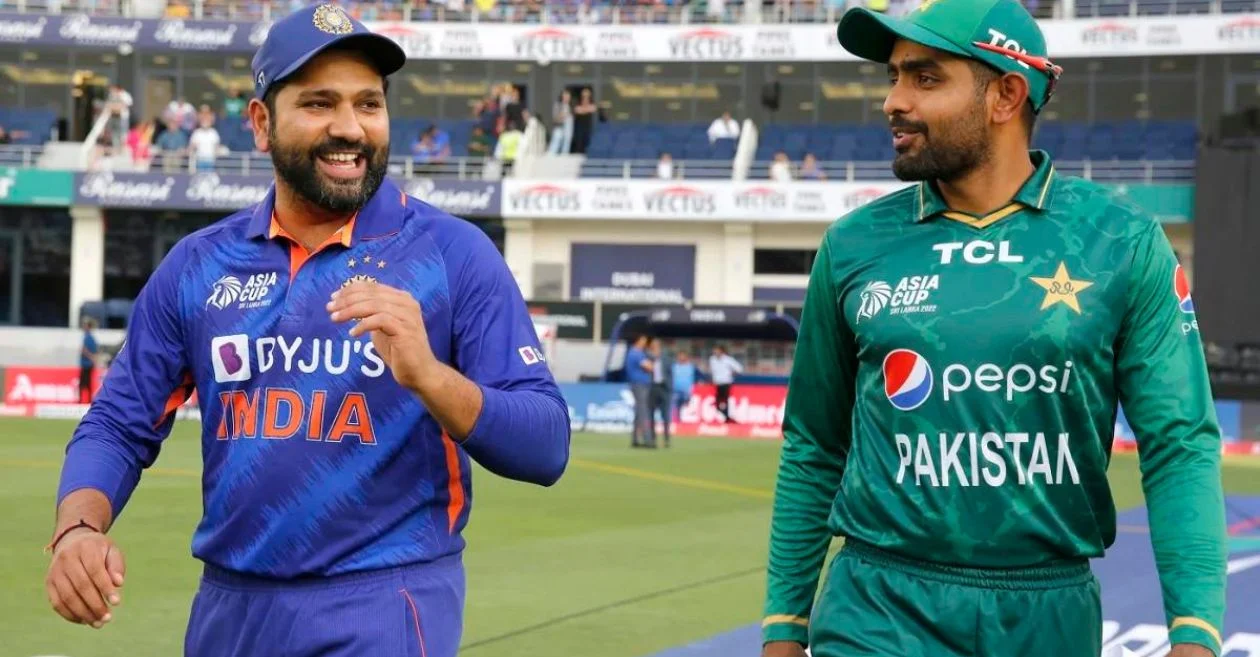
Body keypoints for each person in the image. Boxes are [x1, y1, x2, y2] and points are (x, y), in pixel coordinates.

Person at [44, 6, 571, 657]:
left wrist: (430, 377)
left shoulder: (454, 255)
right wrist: (78, 528)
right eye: (320, 104)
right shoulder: (199, 264)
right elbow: (117, 423)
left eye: (368, 104)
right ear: (262, 123)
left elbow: (546, 445)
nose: (349, 127)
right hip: (229, 610)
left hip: (384, 601)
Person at [761, 0, 1226, 656]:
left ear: (1006, 95)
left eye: (925, 78)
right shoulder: (852, 244)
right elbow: (813, 443)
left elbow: (1178, 444)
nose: (893, 101)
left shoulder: (1122, 241)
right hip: (877, 609)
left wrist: (1196, 632)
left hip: (1048, 615)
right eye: (893, 77)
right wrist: (784, 625)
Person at [624, 334, 655, 448]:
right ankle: (647, 439)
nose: (644, 343)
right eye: (643, 340)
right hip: (639, 384)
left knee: (639, 411)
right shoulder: (636, 353)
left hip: (639, 384)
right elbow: (649, 367)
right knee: (643, 411)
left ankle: (635, 439)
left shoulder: (635, 353)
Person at [649, 338, 674, 448]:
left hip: (664, 388)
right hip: (653, 388)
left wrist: (670, 387)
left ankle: (666, 439)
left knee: (666, 415)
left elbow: (670, 373)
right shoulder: (648, 358)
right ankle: (652, 438)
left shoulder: (666, 358)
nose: (655, 347)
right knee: (651, 414)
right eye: (653, 345)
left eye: (656, 345)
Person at [708, 344, 742, 424]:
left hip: (726, 383)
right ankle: (727, 417)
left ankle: (727, 418)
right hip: (717, 384)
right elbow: (713, 371)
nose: (715, 352)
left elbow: (739, 369)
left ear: (722, 351)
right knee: (717, 404)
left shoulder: (728, 359)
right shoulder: (712, 359)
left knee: (725, 401)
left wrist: (732, 374)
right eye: (714, 350)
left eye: (717, 350)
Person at [78, 318, 99, 404]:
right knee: (86, 383)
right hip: (87, 363)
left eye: (85, 325)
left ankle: (82, 401)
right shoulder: (90, 338)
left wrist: (91, 357)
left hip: (87, 364)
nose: (83, 327)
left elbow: (85, 350)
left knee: (83, 383)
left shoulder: (88, 338)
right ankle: (87, 400)